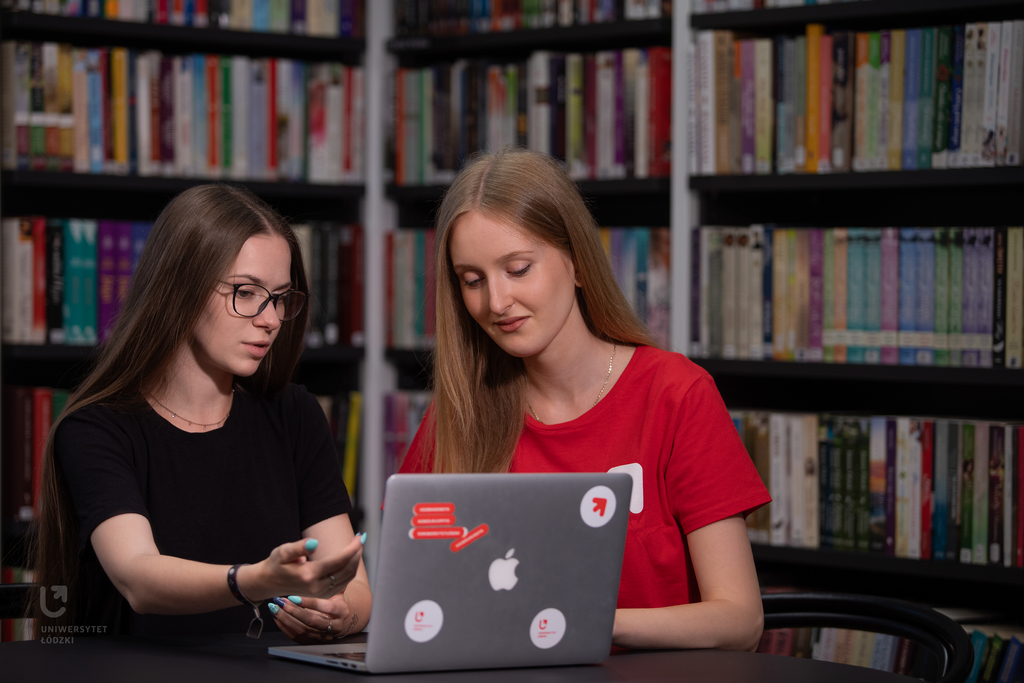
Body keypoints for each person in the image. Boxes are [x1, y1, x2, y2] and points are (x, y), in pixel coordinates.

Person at [398, 147, 771, 651]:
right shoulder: (460, 414)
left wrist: (583, 620)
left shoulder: (676, 395)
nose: (497, 301)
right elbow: (418, 598)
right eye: (473, 280)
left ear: (575, 262)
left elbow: (740, 620)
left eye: (519, 268)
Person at [33, 185, 371, 642]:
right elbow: (138, 578)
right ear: (181, 287)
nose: (270, 319)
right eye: (246, 292)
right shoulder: (97, 430)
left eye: (280, 298)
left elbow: (353, 588)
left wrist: (340, 616)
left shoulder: (295, 415)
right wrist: (255, 580)